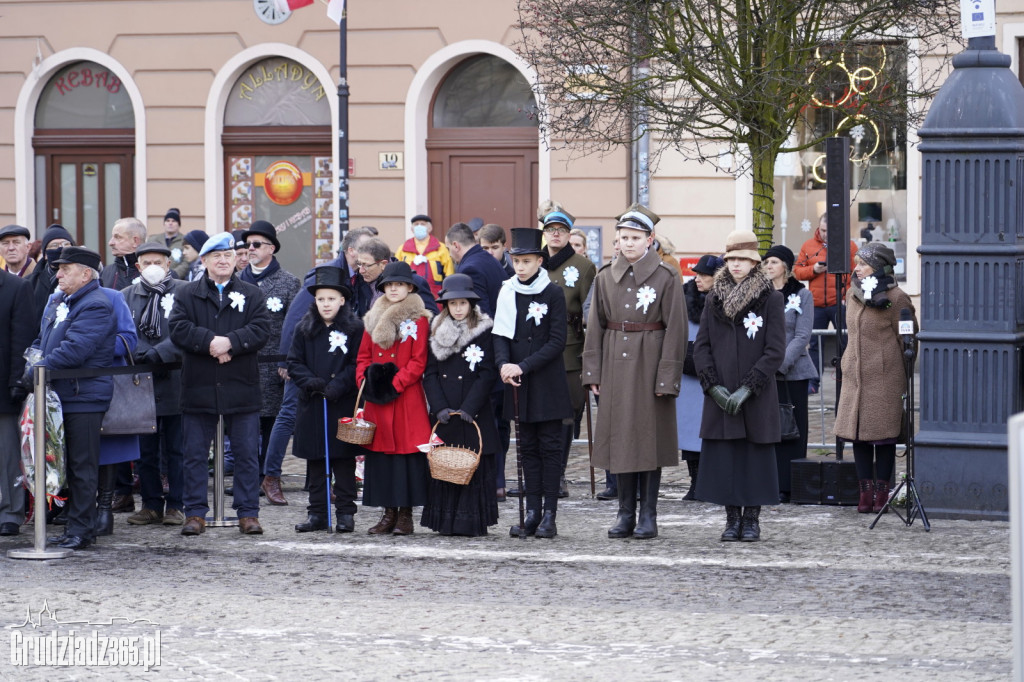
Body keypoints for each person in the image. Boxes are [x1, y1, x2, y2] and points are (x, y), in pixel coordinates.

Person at [582, 204, 686, 539]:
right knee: (619, 441)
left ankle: (648, 515)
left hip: (649, 363)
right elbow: (595, 327)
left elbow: (677, 330)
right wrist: (593, 373)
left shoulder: (667, 277)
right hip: (613, 363)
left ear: (650, 239)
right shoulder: (604, 276)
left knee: (647, 440)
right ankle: (625, 512)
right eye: (624, 237)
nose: (628, 243)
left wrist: (667, 376)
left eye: (635, 237)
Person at [169, 232, 271, 537]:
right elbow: (177, 328)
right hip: (199, 384)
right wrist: (210, 342)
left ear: (235, 260)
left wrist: (231, 343)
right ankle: (196, 513)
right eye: (216, 256)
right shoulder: (187, 293)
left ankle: (248, 512)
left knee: (245, 453)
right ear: (204, 261)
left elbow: (261, 329)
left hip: (241, 383)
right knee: (195, 454)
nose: (223, 261)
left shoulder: (252, 294)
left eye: (228, 255)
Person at [693, 230, 785, 542]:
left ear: (754, 262)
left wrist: (749, 387)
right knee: (726, 458)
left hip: (755, 395)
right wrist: (713, 386)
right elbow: (701, 346)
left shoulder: (771, 298)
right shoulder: (713, 298)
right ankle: (731, 518)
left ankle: (752, 519)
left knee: (753, 458)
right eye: (731, 259)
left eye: (742, 260)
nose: (735, 265)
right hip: (721, 391)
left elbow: (775, 350)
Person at [34, 247, 118, 551]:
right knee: (68, 466)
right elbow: (41, 339)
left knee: (83, 467)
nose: (57, 274)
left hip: (84, 397)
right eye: (58, 269)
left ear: (85, 274)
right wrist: (32, 360)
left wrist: (37, 369)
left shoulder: (96, 304)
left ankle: (83, 530)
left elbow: (75, 351)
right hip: (61, 393)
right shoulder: (61, 299)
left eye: (65, 269)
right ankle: (74, 526)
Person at [493, 228, 571, 539]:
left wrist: (522, 365)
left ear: (539, 261)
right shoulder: (507, 290)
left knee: (549, 448)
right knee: (527, 450)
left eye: (527, 261)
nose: (521, 267)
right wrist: (503, 365)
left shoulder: (552, 293)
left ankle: (549, 513)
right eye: (516, 261)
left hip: (546, 382)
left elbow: (556, 341)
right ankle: (532, 510)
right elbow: (500, 333)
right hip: (517, 384)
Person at [834, 242, 917, 514]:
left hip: (884, 378)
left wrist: (900, 373)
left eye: (863, 264)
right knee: (857, 435)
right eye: (857, 263)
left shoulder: (898, 297)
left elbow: (908, 340)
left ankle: (882, 493)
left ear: (878, 267)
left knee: (883, 437)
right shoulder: (853, 295)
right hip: (855, 378)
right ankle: (864, 493)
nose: (856, 269)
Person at [355, 261, 433, 536]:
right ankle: (388, 513)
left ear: (409, 287)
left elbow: (418, 360)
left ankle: (405, 515)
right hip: (378, 398)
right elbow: (363, 357)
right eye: (389, 285)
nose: (394, 289)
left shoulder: (419, 319)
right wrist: (366, 382)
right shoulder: (372, 318)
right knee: (382, 458)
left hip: (404, 397)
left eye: (398, 284)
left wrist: (395, 384)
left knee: (405, 458)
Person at [421, 274, 500, 536]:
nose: (457, 308)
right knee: (446, 465)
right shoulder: (435, 330)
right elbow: (430, 372)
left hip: (472, 410)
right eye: (452, 303)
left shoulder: (484, 329)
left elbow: (487, 372)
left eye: (462, 303)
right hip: (446, 411)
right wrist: (439, 406)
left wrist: (469, 407)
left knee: (472, 465)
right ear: (445, 305)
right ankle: (446, 521)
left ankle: (471, 520)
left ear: (470, 304)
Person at [287, 266, 364, 533]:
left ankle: (345, 512)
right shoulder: (304, 328)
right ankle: (317, 512)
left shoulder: (355, 328)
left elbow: (356, 363)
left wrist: (337, 385)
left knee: (343, 459)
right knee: (316, 460)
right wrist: (310, 381)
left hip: (341, 402)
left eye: (331, 298)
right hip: (313, 402)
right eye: (321, 299)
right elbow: (294, 362)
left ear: (342, 300)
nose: (326, 304)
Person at [121, 243, 186, 527]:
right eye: (146, 262)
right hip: (140, 381)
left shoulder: (184, 291)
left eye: (158, 262)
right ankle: (150, 504)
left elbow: (188, 329)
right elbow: (122, 331)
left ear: (168, 264)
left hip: (176, 381)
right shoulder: (126, 296)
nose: (152, 267)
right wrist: (136, 352)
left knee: (177, 449)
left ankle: (177, 504)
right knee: (145, 451)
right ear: (138, 266)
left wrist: (162, 352)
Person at [239, 220, 301, 504]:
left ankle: (269, 476)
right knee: (245, 426)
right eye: (247, 244)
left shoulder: (289, 282)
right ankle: (248, 480)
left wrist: (288, 360)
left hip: (274, 363)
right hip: (243, 363)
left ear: (272, 248)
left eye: (256, 244)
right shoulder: (237, 280)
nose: (250, 249)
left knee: (271, 424)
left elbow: (294, 324)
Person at [539, 204, 596, 499]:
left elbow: (590, 315)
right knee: (537, 414)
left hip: (569, 352)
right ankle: (537, 475)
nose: (555, 235)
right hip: (535, 351)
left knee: (565, 415)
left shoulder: (583, 267)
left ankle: (557, 474)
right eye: (550, 230)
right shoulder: (532, 263)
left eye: (560, 230)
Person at [762, 245, 817, 503]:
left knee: (794, 429)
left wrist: (779, 362)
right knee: (770, 429)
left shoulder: (802, 294)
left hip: (793, 371)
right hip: (764, 372)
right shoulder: (759, 294)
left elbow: (802, 335)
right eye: (765, 262)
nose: (768, 267)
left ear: (786, 265)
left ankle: (791, 485)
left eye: (773, 262)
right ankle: (770, 483)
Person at [793, 213, 858, 394]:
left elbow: (856, 274)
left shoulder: (849, 246)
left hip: (840, 303)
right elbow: (797, 272)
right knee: (814, 344)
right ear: (818, 227)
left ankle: (846, 382)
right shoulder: (808, 246)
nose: (825, 234)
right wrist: (813, 270)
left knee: (845, 343)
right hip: (816, 304)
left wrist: (848, 295)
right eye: (822, 230)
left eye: (829, 231)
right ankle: (813, 383)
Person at [678, 254, 723, 500]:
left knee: (710, 431)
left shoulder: (726, 299)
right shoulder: (685, 298)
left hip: (713, 372)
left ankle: (709, 482)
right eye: (697, 274)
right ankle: (694, 482)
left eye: (704, 275)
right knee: (688, 431)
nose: (698, 279)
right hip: (688, 371)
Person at [0, 268, 34, 537]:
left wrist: (16, 383)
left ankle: (10, 512)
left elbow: (21, 339)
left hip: (3, 388)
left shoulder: (16, 287)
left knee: (8, 456)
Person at [445, 222, 507, 317]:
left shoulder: (469, 270)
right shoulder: (488, 258)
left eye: (448, 249)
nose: (449, 254)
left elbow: (480, 315)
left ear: (456, 246)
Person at [395, 214, 454, 299]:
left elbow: (449, 274)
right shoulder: (402, 249)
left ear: (429, 228)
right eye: (416, 224)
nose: (419, 226)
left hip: (435, 295)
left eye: (422, 224)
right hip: (409, 295)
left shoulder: (441, 248)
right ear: (412, 229)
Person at [26, 224, 74, 323]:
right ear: (45, 255)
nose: (61, 249)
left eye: (66, 244)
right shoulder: (30, 282)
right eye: (54, 245)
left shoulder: (81, 279)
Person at [101, 217, 147, 290]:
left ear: (135, 241)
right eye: (112, 237)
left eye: (117, 237)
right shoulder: (105, 272)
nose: (110, 243)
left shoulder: (152, 272)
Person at [154, 208, 189, 279]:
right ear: (164, 223)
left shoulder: (185, 240)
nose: (170, 223)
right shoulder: (153, 240)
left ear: (179, 224)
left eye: (174, 221)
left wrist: (172, 275)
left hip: (177, 280)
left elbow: (186, 262)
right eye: (167, 221)